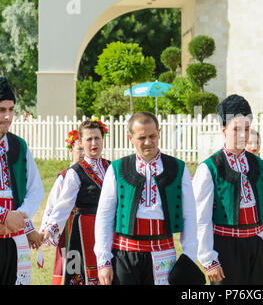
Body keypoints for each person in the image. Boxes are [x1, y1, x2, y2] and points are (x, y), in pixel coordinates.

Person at [94, 111, 201, 285]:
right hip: (125, 253)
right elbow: (104, 216)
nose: (148, 142)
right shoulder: (117, 169)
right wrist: (103, 260)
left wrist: (189, 255)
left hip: (163, 252)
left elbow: (189, 214)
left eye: (152, 136)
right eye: (141, 137)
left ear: (159, 133)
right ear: (130, 138)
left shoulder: (177, 168)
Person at [193, 94, 263, 285]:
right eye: (236, 129)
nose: (243, 135)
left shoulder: (261, 166)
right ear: (224, 130)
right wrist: (208, 258)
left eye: (246, 128)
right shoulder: (209, 168)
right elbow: (200, 219)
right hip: (225, 248)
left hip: (258, 245)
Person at [43, 118, 110, 285]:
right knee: (84, 275)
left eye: (97, 138)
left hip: (108, 229)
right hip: (84, 230)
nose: (94, 143)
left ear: (103, 139)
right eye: (89, 139)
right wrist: (49, 229)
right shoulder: (74, 173)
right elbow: (63, 206)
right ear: (80, 142)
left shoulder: (112, 167)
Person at [0, 76, 45, 285]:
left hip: (14, 236)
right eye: (1, 110)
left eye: (11, 110)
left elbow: (35, 190)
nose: (8, 117)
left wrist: (19, 216)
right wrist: (3, 216)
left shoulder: (19, 146)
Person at [39, 130, 84, 284]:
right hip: (69, 229)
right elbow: (52, 206)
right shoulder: (64, 176)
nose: (83, 153)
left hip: (88, 227)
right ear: (71, 150)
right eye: (80, 149)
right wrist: (46, 229)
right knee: (70, 263)